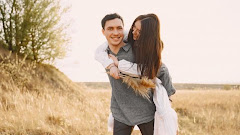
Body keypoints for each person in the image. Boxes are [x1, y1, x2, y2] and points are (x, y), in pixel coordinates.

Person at [98, 13, 178, 135]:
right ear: (103, 32)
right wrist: (110, 65)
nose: (115, 33)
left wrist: (167, 96)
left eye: (119, 28)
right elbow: (98, 53)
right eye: (110, 29)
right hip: (121, 112)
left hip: (146, 111)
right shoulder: (104, 53)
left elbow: (161, 69)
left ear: (123, 29)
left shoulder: (137, 49)